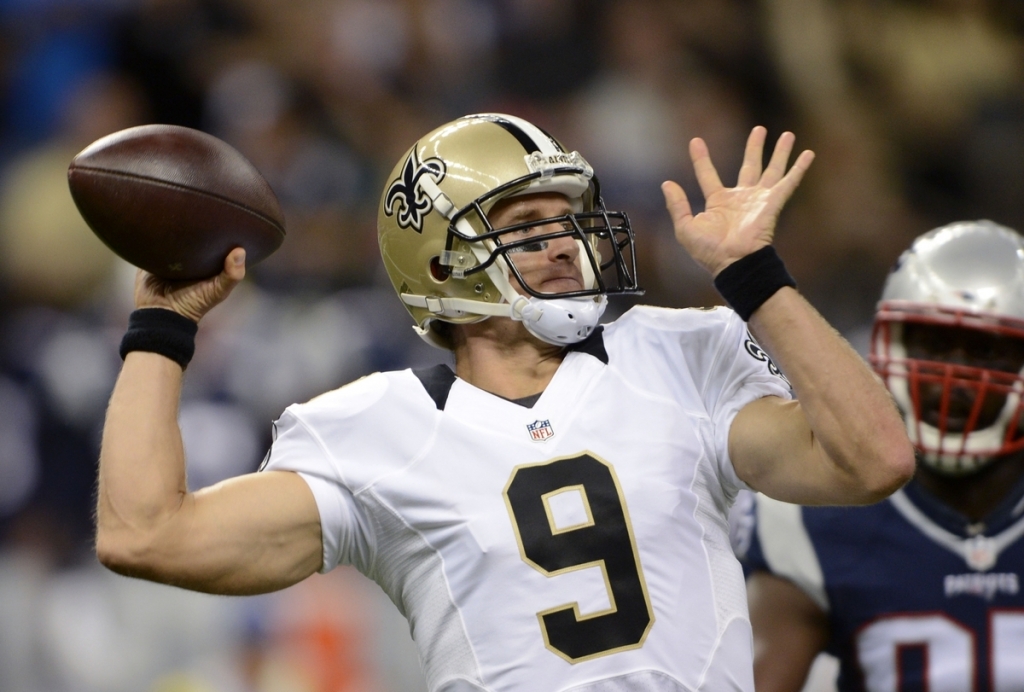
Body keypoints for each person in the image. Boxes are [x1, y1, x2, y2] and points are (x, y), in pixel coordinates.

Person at [95, 113, 913, 691]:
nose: (564, 241)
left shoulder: (676, 355)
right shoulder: (378, 430)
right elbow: (145, 535)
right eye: (525, 225)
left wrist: (756, 277)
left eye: (570, 220)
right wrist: (163, 325)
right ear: (443, 267)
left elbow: (875, 458)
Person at [745, 220, 1024, 692]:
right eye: (933, 345)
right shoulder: (808, 519)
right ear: (886, 344)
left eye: (985, 350)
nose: (955, 378)